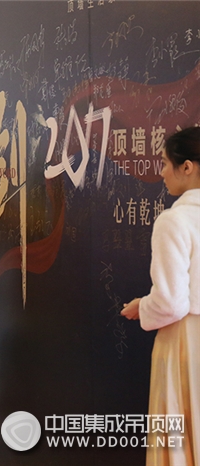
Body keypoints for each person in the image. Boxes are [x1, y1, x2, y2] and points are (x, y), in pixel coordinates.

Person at [121, 127, 200, 465]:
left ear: (188, 167)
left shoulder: (175, 220)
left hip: (185, 341)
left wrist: (142, 306)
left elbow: (170, 302)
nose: (161, 172)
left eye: (166, 163)